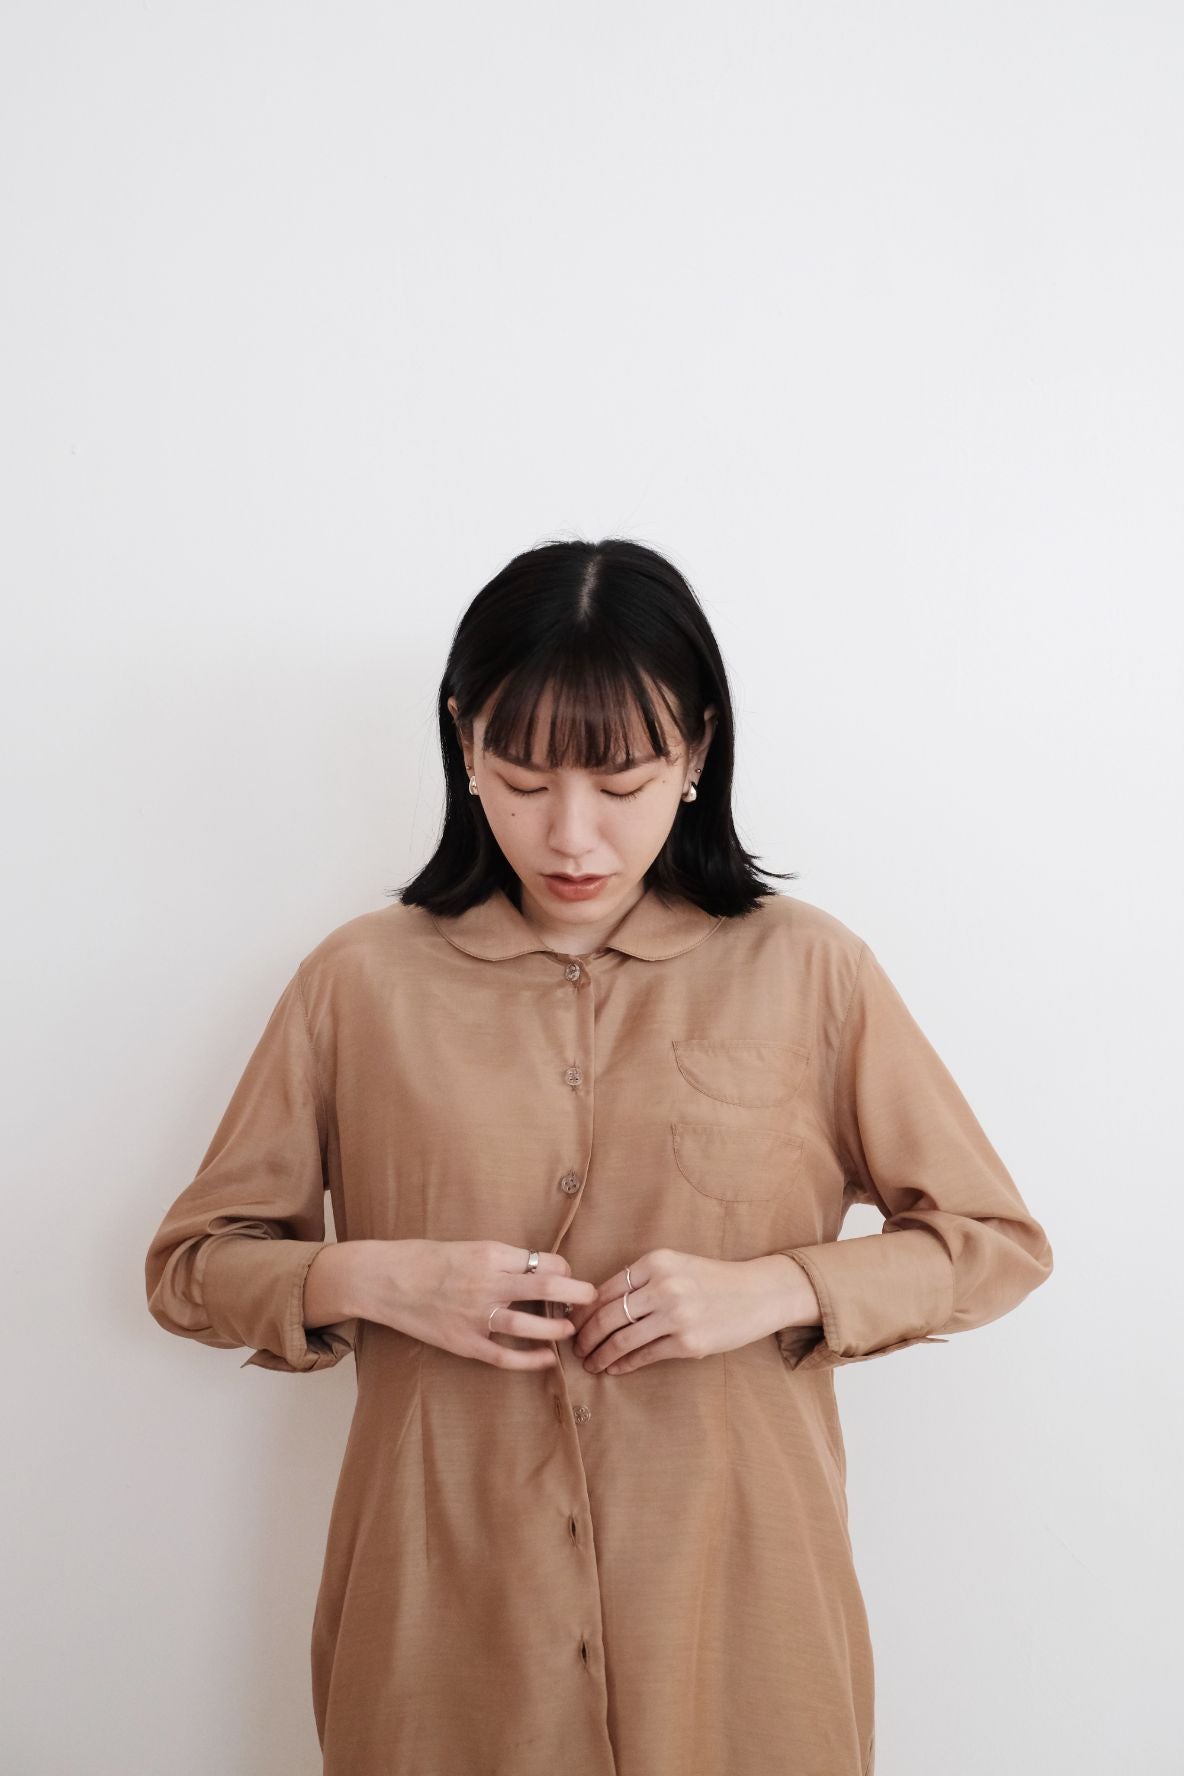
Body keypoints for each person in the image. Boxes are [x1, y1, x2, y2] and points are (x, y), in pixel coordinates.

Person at [144, 537, 1054, 1776]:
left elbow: (990, 1243)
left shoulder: (809, 970)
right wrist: (376, 1278)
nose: (571, 836)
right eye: (524, 780)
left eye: (622, 782)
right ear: (464, 745)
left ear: (696, 752)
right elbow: (192, 1267)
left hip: (735, 1616)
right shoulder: (356, 983)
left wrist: (774, 1287)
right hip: (444, 1621)